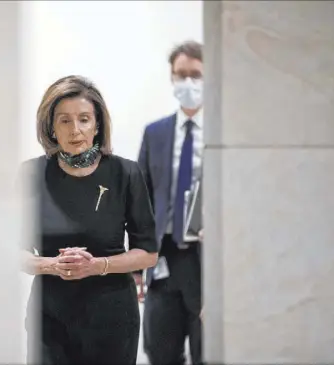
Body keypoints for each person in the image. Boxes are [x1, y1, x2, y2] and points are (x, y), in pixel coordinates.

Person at [20, 75, 158, 365]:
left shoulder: (126, 173)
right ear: (51, 128)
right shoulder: (30, 175)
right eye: (65, 121)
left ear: (97, 125)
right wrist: (51, 265)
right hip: (50, 318)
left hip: (112, 316)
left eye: (84, 119)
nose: (76, 130)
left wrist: (98, 266)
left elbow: (148, 253)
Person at [137, 40, 205, 365]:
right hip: (163, 257)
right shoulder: (155, 133)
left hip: (207, 261)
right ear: (171, 78)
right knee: (160, 350)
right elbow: (141, 200)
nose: (187, 82)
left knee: (209, 350)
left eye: (195, 74)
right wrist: (136, 266)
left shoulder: (225, 133)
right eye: (180, 75)